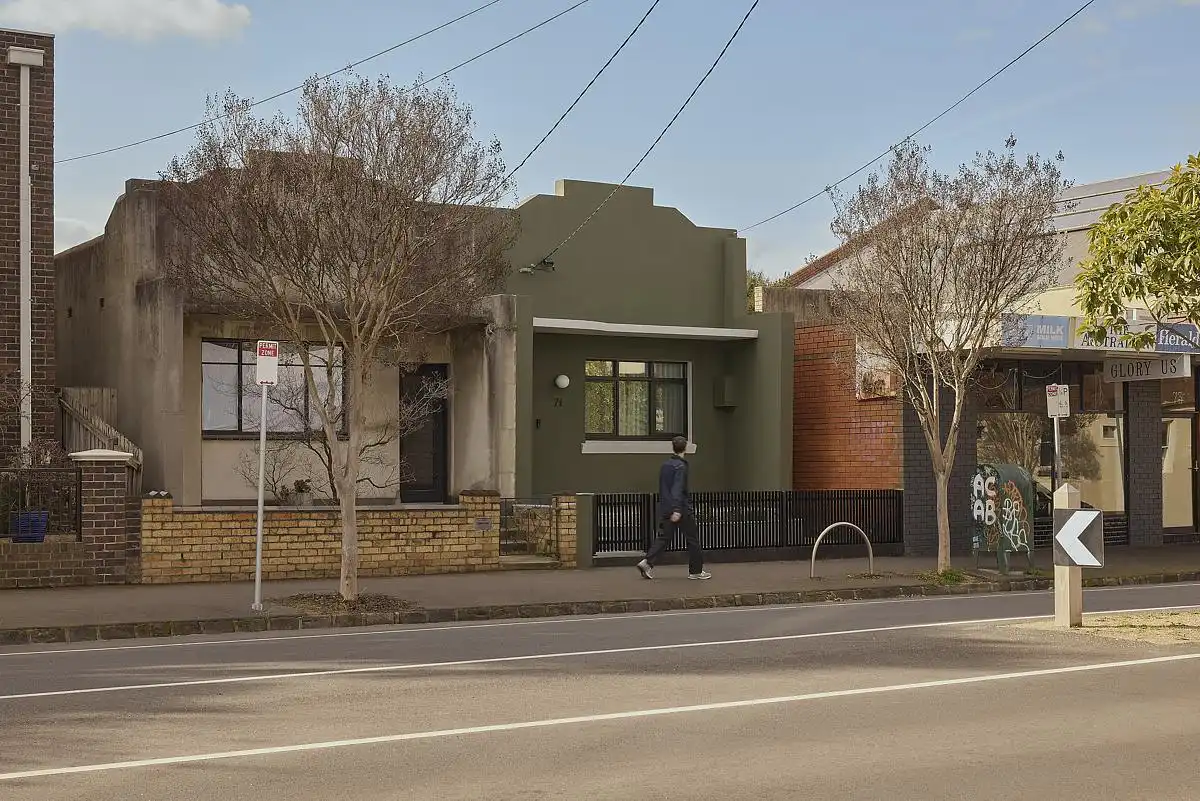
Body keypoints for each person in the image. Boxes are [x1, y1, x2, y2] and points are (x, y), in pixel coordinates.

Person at [636, 436, 710, 580]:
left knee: (663, 538)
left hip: (666, 507)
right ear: (685, 448)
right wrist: (677, 509)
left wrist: (669, 507)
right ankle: (696, 571)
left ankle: (647, 562)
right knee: (693, 539)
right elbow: (678, 488)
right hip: (681, 509)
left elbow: (665, 488)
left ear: (673, 447)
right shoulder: (681, 466)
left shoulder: (665, 465)